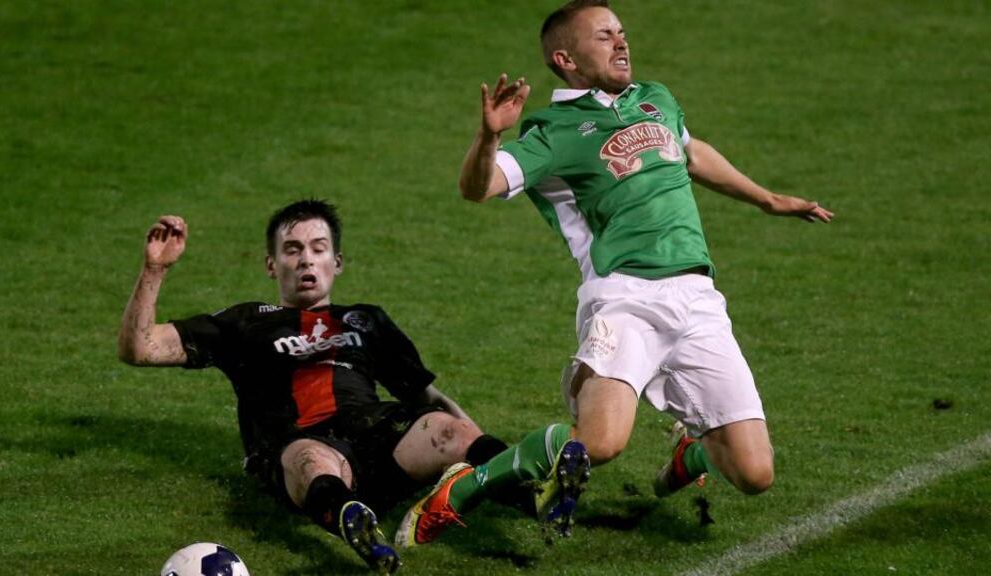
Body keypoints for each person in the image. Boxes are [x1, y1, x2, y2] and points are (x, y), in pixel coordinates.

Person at [449, 0, 834, 516]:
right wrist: (490, 134)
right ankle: (464, 489)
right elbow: (480, 187)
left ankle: (691, 451)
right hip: (624, 296)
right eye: (604, 36)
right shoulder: (553, 130)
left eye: (621, 32)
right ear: (566, 59)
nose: (622, 42)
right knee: (601, 444)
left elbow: (690, 152)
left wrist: (766, 198)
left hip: (698, 297)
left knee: (755, 474)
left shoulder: (656, 99)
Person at [117, 200, 514, 574]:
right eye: (292, 249)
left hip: (377, 440)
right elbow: (140, 347)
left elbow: (426, 397)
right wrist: (155, 270)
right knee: (311, 460)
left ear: (336, 262)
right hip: (298, 443)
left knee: (449, 429)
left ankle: (523, 482)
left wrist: (475, 438)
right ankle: (356, 526)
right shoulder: (245, 323)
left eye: (318, 248)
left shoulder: (367, 320)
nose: (306, 258)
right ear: (271, 265)